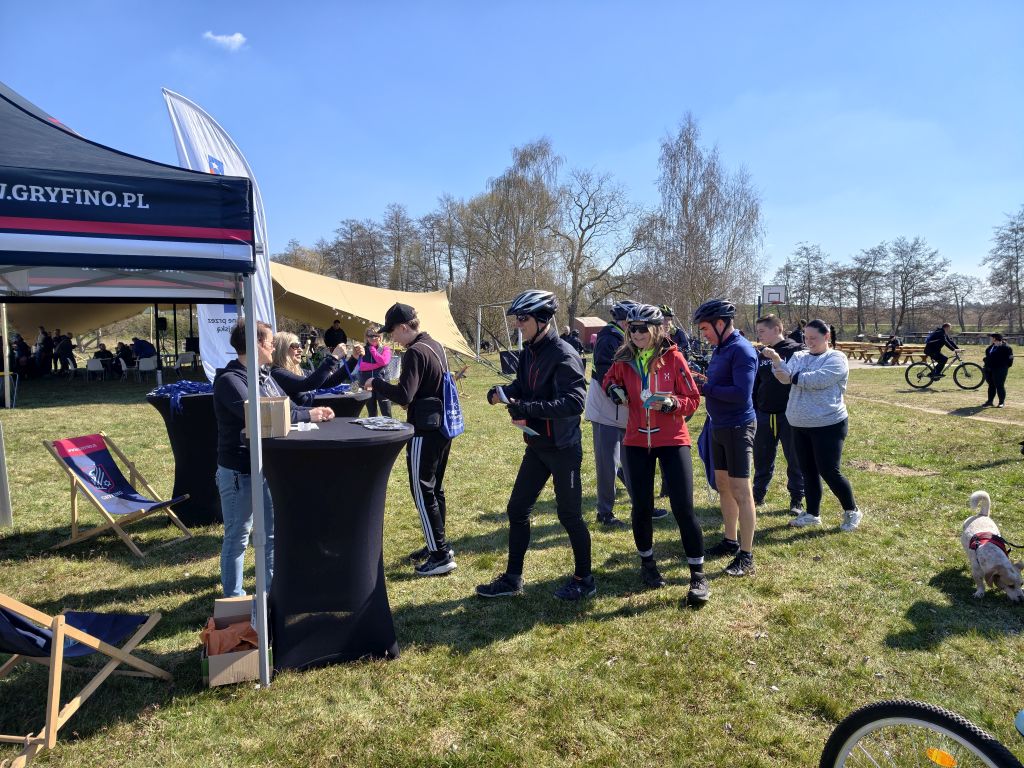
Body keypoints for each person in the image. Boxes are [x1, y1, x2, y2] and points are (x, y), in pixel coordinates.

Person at [477, 289, 594, 601]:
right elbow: (522, 385)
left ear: (542, 319)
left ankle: (584, 579)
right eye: (517, 318)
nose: (518, 324)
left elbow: (574, 402)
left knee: (569, 516)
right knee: (517, 509)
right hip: (537, 445)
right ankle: (512, 578)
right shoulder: (529, 351)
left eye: (523, 318)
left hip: (563, 448)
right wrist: (502, 392)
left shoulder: (565, 354)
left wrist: (526, 408)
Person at [212, 320, 335, 597]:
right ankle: (234, 599)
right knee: (238, 537)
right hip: (240, 471)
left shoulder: (264, 377)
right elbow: (261, 415)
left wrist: (311, 412)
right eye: (269, 341)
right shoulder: (230, 381)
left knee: (269, 535)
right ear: (255, 344)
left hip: (266, 467)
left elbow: (288, 407)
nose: (273, 346)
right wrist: (309, 415)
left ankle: (271, 594)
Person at [603, 304, 708, 604]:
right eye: (631, 329)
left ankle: (698, 575)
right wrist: (613, 390)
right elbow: (608, 380)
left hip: (672, 439)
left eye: (642, 329)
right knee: (641, 508)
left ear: (657, 329)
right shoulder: (624, 359)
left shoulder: (674, 358)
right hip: (636, 441)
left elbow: (692, 398)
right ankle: (647, 564)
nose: (636, 334)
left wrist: (673, 403)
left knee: (683, 508)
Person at [367, 302, 457, 576]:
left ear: (405, 327)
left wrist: (377, 383)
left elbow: (404, 395)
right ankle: (439, 544)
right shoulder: (434, 345)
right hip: (442, 427)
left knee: (422, 491)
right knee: (434, 489)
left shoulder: (415, 352)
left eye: (392, 331)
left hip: (424, 430)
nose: (391, 337)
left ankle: (439, 555)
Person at [761, 319, 862, 531]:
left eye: (813, 338)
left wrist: (791, 376)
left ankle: (852, 510)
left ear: (827, 337)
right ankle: (812, 514)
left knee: (829, 470)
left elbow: (819, 380)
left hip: (828, 423)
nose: (809, 342)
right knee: (808, 471)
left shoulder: (836, 358)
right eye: (806, 338)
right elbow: (783, 378)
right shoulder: (799, 355)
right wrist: (777, 360)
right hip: (799, 423)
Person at [690, 299, 759, 577]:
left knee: (741, 490)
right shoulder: (721, 348)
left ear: (720, 324)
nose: (703, 334)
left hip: (738, 427)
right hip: (718, 425)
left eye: (705, 328)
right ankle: (730, 540)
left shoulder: (742, 350)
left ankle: (747, 555)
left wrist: (706, 388)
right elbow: (719, 383)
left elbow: (741, 394)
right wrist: (702, 380)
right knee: (723, 485)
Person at [584, 300, 635, 529]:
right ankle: (604, 513)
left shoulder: (624, 336)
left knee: (631, 460)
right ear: (625, 322)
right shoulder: (609, 338)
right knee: (607, 464)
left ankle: (641, 503)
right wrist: (619, 391)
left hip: (623, 411)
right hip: (607, 412)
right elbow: (606, 372)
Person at [752, 315, 805, 516]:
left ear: (776, 329)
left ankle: (797, 499)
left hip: (789, 415)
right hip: (764, 414)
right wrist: (755, 407)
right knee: (762, 457)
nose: (759, 335)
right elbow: (757, 383)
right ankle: (757, 495)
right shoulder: (761, 354)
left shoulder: (796, 350)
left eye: (762, 331)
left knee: (795, 458)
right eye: (758, 332)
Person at [270, 332, 352, 405]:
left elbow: (330, 381)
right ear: (282, 349)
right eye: (295, 346)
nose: (300, 349)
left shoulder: (300, 371)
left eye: (300, 345)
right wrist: (333, 358)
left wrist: (354, 359)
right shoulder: (277, 373)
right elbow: (309, 383)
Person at [355, 326, 393, 417]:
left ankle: (389, 426)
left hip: (383, 383)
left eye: (376, 335)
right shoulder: (362, 350)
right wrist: (378, 364)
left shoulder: (385, 349)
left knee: (386, 412)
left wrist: (373, 350)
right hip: (367, 384)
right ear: (366, 337)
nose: (373, 338)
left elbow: (384, 361)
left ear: (380, 337)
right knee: (371, 412)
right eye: (370, 336)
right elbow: (361, 366)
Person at [982, 332, 1013, 408]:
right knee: (991, 385)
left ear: (995, 339)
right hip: (989, 369)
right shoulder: (990, 347)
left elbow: (1010, 359)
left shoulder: (1006, 348)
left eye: (991, 338)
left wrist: (1005, 366)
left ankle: (1001, 402)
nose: (990, 339)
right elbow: (988, 356)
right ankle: (990, 401)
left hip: (1000, 369)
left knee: (999, 385)